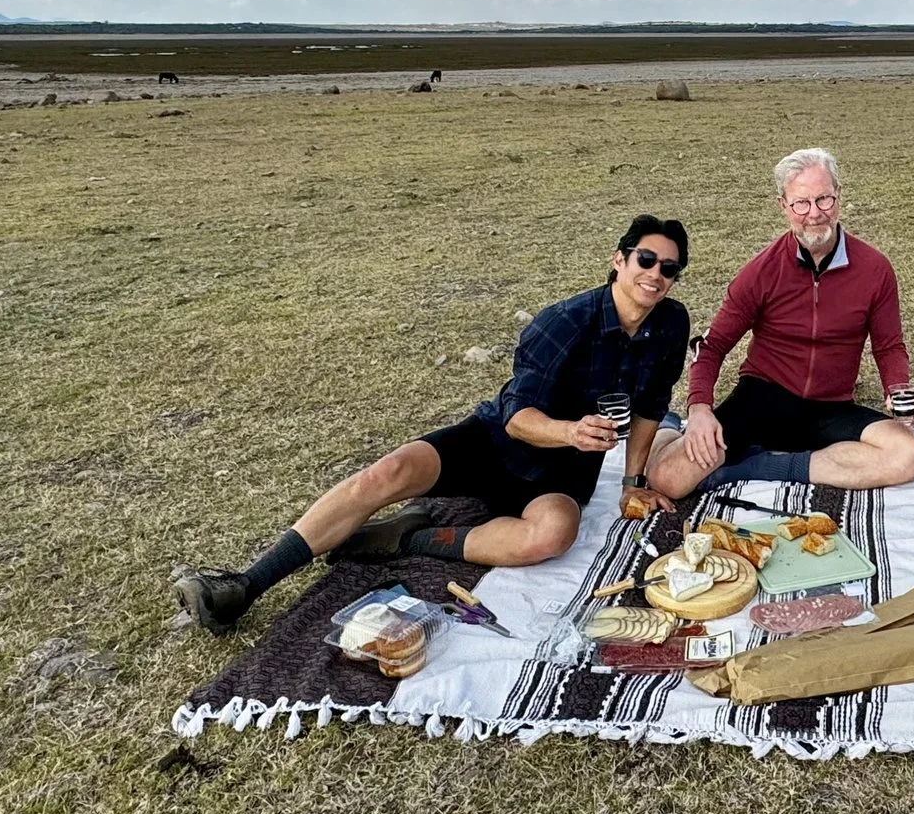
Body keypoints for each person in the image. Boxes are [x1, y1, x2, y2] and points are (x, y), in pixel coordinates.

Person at [170, 214, 689, 635]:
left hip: (561, 475)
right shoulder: (565, 321)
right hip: (494, 442)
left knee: (550, 537)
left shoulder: (670, 323)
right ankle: (244, 585)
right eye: (646, 259)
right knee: (387, 473)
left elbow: (650, 406)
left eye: (669, 268)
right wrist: (572, 432)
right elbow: (516, 419)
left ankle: (408, 538)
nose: (656, 275)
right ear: (619, 261)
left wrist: (630, 482)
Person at [648, 148, 914, 498]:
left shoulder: (875, 268)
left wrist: (898, 389)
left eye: (824, 199)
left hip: (832, 407)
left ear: (839, 195)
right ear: (783, 205)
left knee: (910, 455)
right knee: (668, 479)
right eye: (801, 203)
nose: (814, 214)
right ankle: (668, 427)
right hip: (762, 399)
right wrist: (699, 408)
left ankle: (756, 467)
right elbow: (713, 345)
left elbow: (889, 345)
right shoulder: (761, 272)